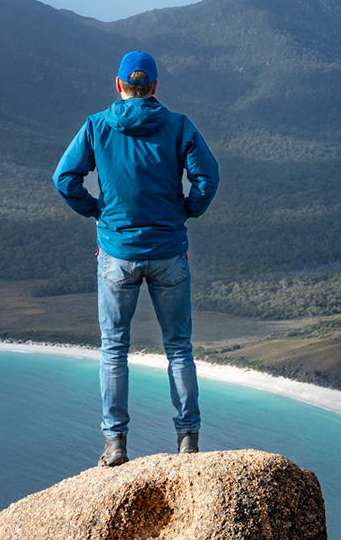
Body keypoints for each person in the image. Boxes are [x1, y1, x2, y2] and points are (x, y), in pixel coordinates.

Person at [54, 50, 220, 467]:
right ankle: (187, 441)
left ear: (118, 85)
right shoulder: (178, 125)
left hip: (117, 254)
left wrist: (96, 211)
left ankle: (116, 445)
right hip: (169, 252)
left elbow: (64, 179)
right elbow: (208, 176)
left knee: (114, 350)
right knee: (179, 349)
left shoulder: (97, 125)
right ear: (156, 88)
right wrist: (189, 209)